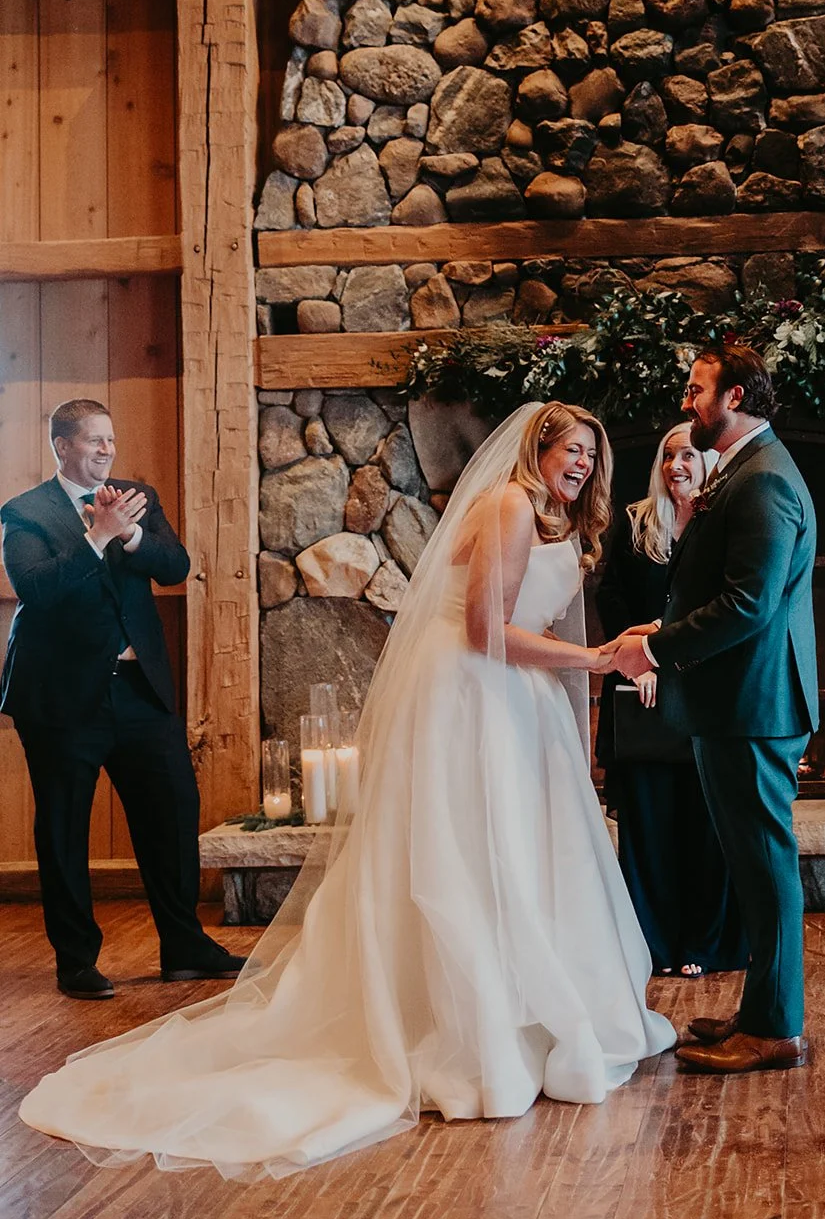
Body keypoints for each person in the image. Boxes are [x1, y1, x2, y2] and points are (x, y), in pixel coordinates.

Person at [20, 402, 675, 1178]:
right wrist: (598, 660)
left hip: (516, 695)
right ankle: (472, 1028)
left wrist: (585, 692)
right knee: (470, 857)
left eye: (592, 455)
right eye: (572, 450)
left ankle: (524, 1008)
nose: (583, 465)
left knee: (519, 856)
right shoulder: (506, 505)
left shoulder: (555, 517)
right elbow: (483, 630)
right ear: (538, 449)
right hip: (478, 695)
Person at [609, 346, 818, 1075]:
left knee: (765, 871)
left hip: (752, 707)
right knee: (755, 870)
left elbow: (749, 605)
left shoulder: (762, 482)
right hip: (737, 703)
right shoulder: (747, 471)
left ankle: (775, 1030)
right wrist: (654, 632)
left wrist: (659, 651)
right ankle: (764, 1012)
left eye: (697, 389)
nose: (687, 400)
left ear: (734, 395)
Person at [0, 399, 245, 1000]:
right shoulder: (24, 513)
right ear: (62, 446)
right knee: (63, 828)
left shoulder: (136, 496)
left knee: (171, 811)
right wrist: (96, 537)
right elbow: (36, 589)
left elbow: (175, 566)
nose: (106, 451)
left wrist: (129, 531)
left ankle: (184, 946)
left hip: (139, 690)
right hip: (61, 701)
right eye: (92, 441)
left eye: (110, 440)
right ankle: (76, 961)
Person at [596, 424, 747, 979]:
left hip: (703, 689)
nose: (676, 465)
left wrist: (662, 651)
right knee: (650, 825)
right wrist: (636, 659)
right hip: (642, 694)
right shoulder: (636, 523)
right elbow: (610, 594)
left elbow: (730, 606)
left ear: (710, 462)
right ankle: (651, 945)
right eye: (668, 456)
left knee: (708, 826)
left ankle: (707, 944)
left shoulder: (726, 518)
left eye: (688, 454)